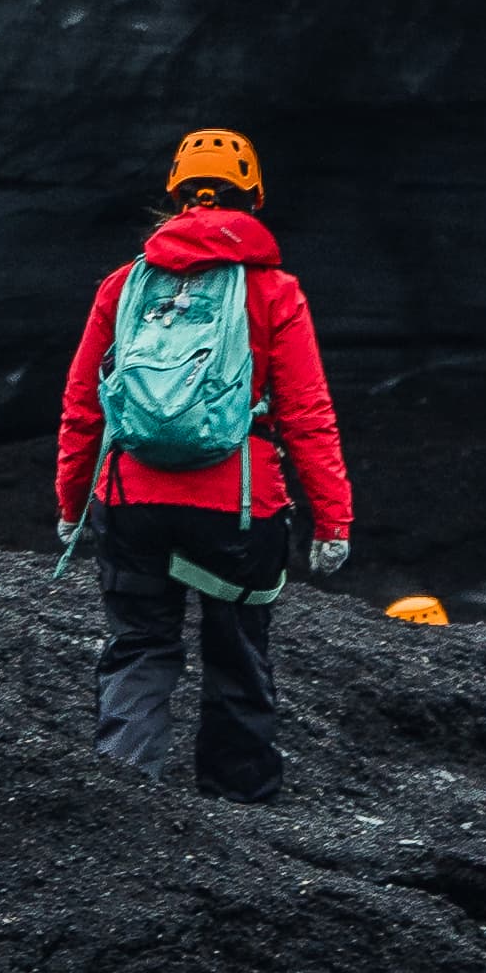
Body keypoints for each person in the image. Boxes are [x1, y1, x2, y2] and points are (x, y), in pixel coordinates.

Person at [52, 124, 351, 798]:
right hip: (239, 508)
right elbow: (306, 414)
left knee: (137, 646)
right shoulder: (273, 292)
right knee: (237, 654)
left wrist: (72, 508)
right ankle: (237, 806)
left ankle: (122, 796)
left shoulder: (122, 285)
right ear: (252, 198)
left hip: (130, 500)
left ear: (176, 196)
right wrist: (332, 521)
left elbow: (82, 406)